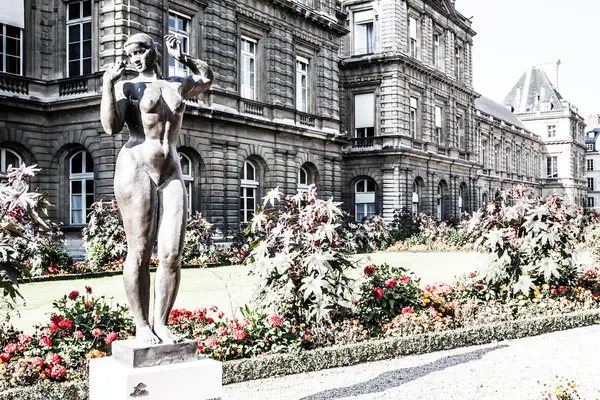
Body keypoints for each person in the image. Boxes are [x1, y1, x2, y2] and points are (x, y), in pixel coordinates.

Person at [100, 33, 214, 344]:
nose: (136, 58)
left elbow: (206, 78)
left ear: (154, 51)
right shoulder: (128, 86)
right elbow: (110, 127)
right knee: (138, 251)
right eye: (130, 53)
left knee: (172, 253)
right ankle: (141, 324)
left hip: (171, 167)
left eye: (141, 51)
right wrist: (108, 86)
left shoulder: (176, 82)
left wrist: (182, 55)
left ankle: (161, 323)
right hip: (136, 165)